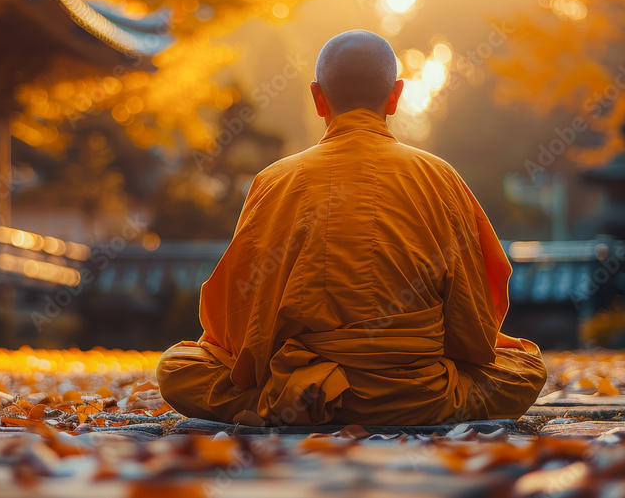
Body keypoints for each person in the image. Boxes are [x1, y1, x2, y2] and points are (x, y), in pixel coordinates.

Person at [155, 30, 547, 426]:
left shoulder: (275, 180)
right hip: (420, 396)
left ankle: (271, 406)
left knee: (177, 367)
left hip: (298, 390)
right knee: (526, 366)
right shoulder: (439, 177)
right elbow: (474, 324)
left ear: (317, 97)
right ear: (394, 95)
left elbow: (239, 318)